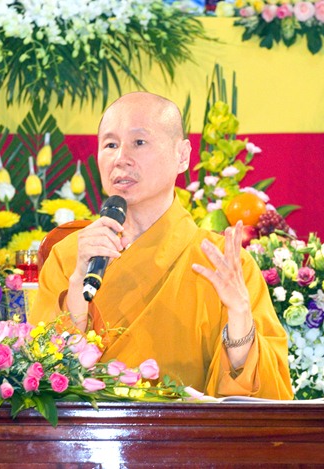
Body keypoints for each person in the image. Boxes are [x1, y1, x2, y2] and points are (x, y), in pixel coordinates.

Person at [29, 92, 292, 399]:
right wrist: (77, 288)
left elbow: (264, 402)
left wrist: (240, 319)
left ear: (182, 156)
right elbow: (37, 380)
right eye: (110, 145)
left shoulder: (226, 264)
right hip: (88, 429)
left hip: (187, 430)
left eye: (139, 142)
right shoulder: (70, 256)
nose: (120, 158)